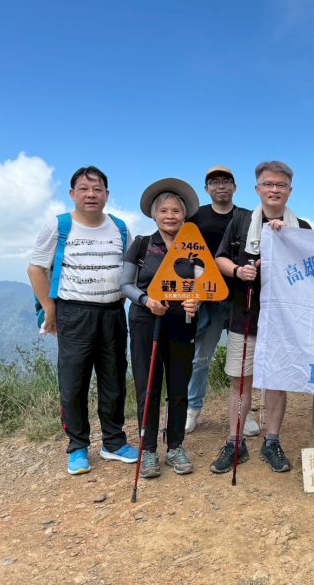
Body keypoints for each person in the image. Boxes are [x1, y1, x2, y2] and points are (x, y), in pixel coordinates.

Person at [28, 166, 137, 475]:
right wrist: (50, 309)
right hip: (74, 313)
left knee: (114, 380)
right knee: (74, 382)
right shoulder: (59, 225)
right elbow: (36, 268)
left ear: (107, 194)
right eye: (84, 189)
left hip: (113, 312)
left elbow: (128, 269)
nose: (92, 194)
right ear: (72, 193)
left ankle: (113, 443)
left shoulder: (119, 227)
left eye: (98, 189)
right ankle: (77, 447)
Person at [210, 161, 312, 474]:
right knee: (241, 381)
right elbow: (220, 258)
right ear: (258, 189)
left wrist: (287, 241)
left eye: (280, 185)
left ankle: (272, 441)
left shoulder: (302, 228)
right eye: (268, 184)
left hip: (284, 319)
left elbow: (312, 272)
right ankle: (234, 441)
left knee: (277, 381)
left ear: (290, 191)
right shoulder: (241, 222)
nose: (274, 190)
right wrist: (238, 271)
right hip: (245, 313)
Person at [121, 178, 201, 478]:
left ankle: (176, 446)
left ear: (184, 215)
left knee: (179, 387)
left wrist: (197, 302)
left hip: (182, 322)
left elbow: (201, 285)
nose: (171, 216)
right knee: (148, 386)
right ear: (155, 215)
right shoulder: (142, 244)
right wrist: (145, 299)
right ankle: (149, 449)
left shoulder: (193, 248)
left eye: (176, 211)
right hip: (146, 321)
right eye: (165, 210)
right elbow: (125, 285)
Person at [184, 166, 258, 437]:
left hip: (242, 297)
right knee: (201, 357)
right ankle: (193, 409)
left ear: (235, 187)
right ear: (207, 189)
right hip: (209, 299)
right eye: (214, 182)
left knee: (244, 361)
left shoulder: (248, 217)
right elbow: (184, 254)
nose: (221, 186)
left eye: (226, 181)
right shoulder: (196, 217)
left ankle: (245, 412)